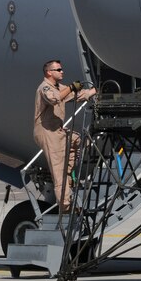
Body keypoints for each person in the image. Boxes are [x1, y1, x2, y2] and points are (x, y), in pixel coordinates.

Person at [34, 60, 97, 212]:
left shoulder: (59, 88)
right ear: (49, 72)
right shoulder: (45, 88)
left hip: (58, 131)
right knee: (58, 169)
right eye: (58, 69)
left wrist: (95, 90)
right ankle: (66, 207)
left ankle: (69, 176)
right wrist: (70, 88)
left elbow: (79, 96)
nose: (62, 71)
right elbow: (54, 99)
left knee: (76, 139)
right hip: (47, 132)